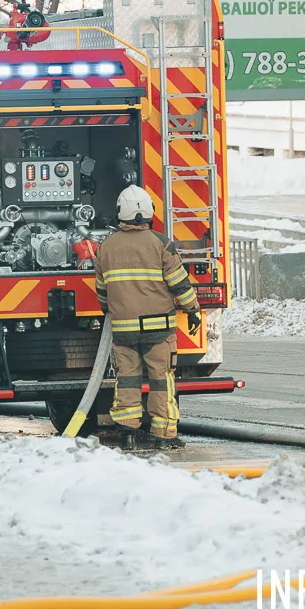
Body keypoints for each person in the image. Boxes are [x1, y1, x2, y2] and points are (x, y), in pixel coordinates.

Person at [94, 185, 200, 450]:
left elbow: (102, 291)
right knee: (161, 380)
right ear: (149, 211)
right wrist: (193, 310)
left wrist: (110, 309)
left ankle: (127, 435)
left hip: (123, 332)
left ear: (121, 212)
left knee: (126, 380)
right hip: (159, 332)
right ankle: (164, 436)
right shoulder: (161, 244)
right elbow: (179, 284)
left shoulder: (106, 247)